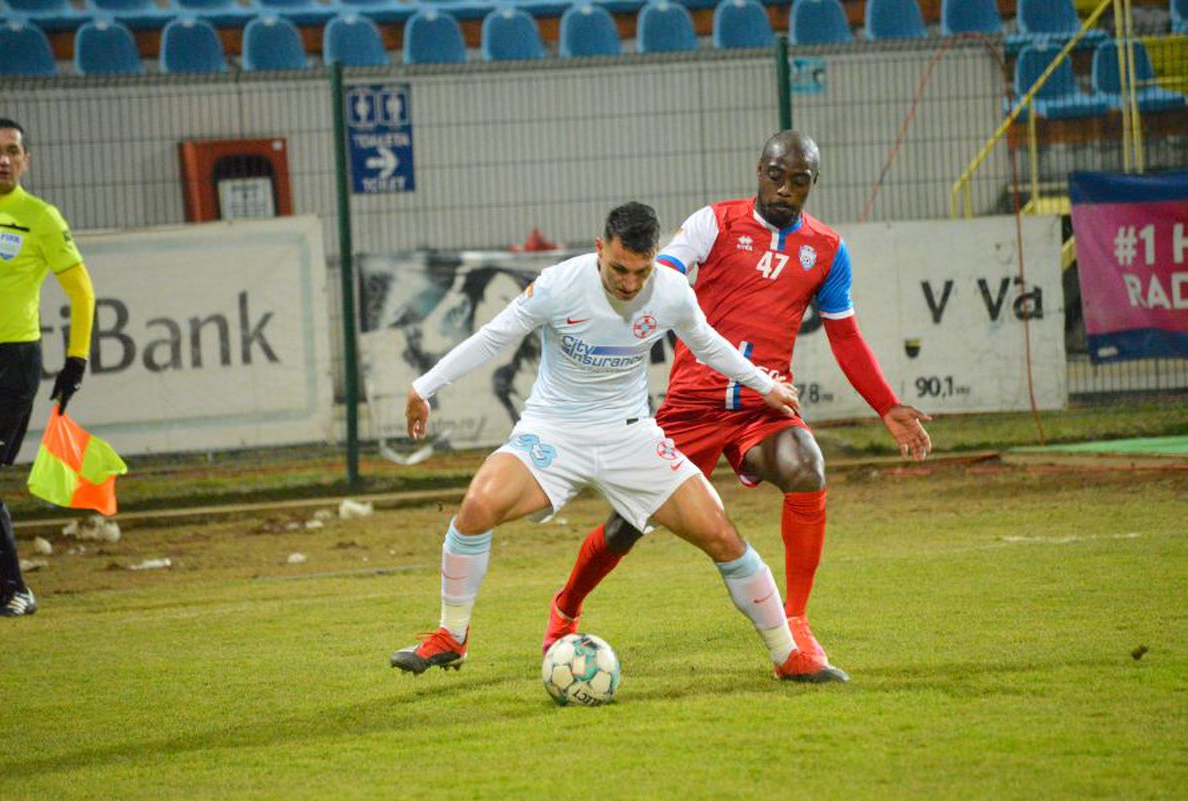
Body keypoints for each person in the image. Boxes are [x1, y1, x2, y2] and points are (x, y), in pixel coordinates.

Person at [544, 131, 933, 683]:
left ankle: (795, 624)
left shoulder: (826, 250)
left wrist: (886, 406)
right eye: (776, 175)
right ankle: (566, 608)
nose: (785, 188)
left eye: (799, 180)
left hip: (763, 408)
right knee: (628, 525)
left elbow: (845, 336)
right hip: (691, 406)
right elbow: (667, 274)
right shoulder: (714, 223)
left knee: (806, 466)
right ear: (759, 171)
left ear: (812, 185)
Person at [391, 201, 824, 680]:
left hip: (630, 436)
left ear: (655, 257)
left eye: (641, 271)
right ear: (599, 249)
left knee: (723, 536)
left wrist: (766, 386)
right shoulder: (559, 285)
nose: (629, 283)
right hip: (554, 430)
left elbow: (707, 344)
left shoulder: (671, 291)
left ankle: (789, 655)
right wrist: (424, 387)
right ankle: (452, 635)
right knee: (476, 508)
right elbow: (494, 338)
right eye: (619, 269)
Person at [0, 118, 95, 619]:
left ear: (26, 161)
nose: (2, 159)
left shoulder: (39, 217)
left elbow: (81, 291)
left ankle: (16, 589)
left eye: (11, 151)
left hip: (11, 364)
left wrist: (76, 359)